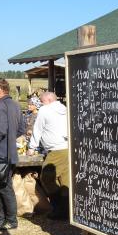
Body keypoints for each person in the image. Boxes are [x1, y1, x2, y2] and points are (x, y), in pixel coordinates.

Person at [0, 78, 25, 231]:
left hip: (0, 153)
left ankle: (11, 220)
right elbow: (22, 128)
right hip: (10, 153)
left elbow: (0, 130)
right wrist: (11, 138)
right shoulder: (15, 104)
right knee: (1, 186)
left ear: (0, 90)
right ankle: (1, 217)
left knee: (5, 187)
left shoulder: (0, 105)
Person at [27, 92, 69, 220]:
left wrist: (31, 147)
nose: (40, 104)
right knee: (64, 182)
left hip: (56, 150)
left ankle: (58, 209)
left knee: (46, 177)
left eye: (42, 101)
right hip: (68, 147)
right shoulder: (65, 109)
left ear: (49, 100)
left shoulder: (45, 110)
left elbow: (38, 129)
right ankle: (67, 211)